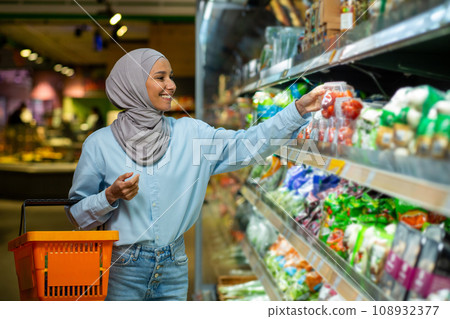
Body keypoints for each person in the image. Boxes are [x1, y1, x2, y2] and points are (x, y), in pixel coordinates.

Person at [65, 48, 324, 301]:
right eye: (160, 77)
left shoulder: (191, 134)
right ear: (131, 84)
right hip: (121, 268)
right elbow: (77, 215)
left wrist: (297, 110)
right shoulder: (99, 144)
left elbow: (247, 146)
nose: (172, 85)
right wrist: (109, 196)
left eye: (171, 76)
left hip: (174, 267)